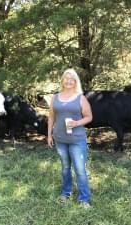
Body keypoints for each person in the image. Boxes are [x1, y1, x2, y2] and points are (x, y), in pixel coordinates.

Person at [47, 68, 93, 208]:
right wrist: (49, 134)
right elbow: (51, 117)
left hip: (77, 140)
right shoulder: (55, 97)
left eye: (71, 79)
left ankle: (84, 199)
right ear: (62, 80)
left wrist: (77, 123)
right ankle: (66, 193)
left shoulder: (81, 98)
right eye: (66, 78)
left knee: (80, 170)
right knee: (65, 168)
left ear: (75, 82)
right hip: (60, 139)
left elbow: (89, 117)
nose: (68, 81)